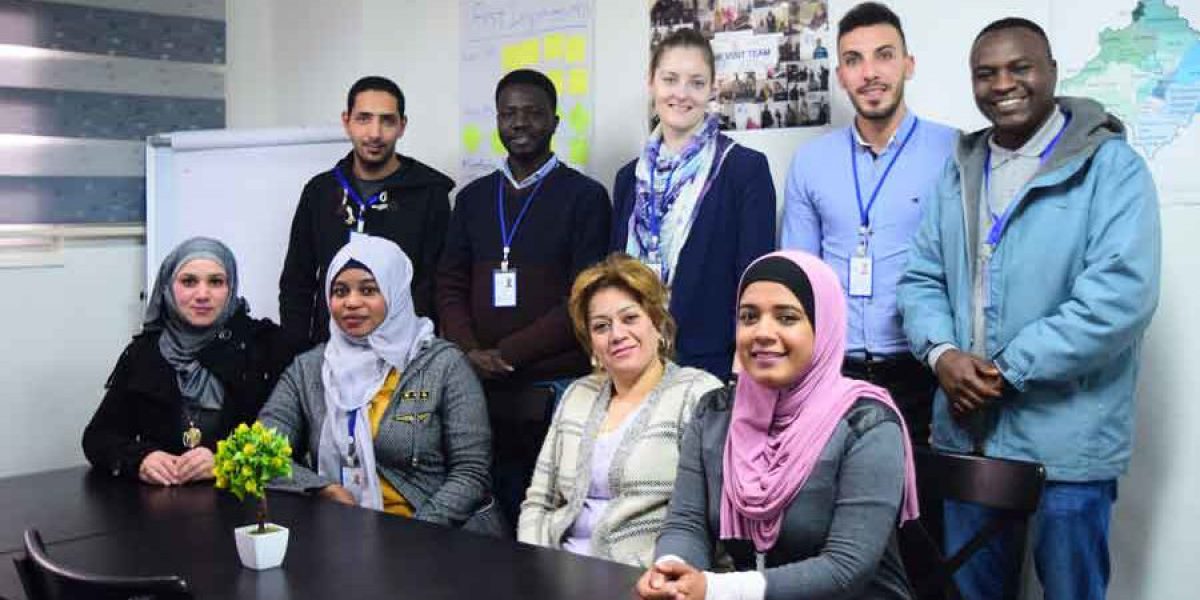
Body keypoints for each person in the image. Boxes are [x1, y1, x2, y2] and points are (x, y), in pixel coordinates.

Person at [898, 18, 1160, 600]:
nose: (1003, 84)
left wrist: (1007, 369)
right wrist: (941, 355)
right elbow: (921, 278)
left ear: (1052, 73)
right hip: (969, 440)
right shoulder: (959, 170)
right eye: (986, 73)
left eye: (1020, 68)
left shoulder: (1111, 168)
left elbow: (1119, 296)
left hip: (1068, 450)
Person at [636, 251, 917, 600]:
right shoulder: (716, 412)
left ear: (823, 326)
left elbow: (848, 567)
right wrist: (671, 572)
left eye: (786, 317)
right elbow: (686, 523)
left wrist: (717, 590)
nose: (762, 333)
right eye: (748, 317)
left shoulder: (868, 423)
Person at [437, 69, 611, 529]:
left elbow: (585, 293)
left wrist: (507, 354)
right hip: (478, 385)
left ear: (555, 121)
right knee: (487, 508)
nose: (520, 123)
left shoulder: (586, 197)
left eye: (533, 113)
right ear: (496, 120)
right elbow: (449, 284)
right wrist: (469, 352)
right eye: (509, 113)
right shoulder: (472, 199)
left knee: (549, 515)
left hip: (554, 386)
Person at [781, 2, 958, 447]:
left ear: (908, 65)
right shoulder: (810, 163)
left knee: (923, 512)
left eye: (884, 55)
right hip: (834, 373)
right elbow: (798, 278)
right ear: (840, 75)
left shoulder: (955, 152)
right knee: (841, 512)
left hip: (924, 368)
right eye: (853, 60)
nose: (870, 73)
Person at [262, 236, 498, 532]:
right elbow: (261, 452)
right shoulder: (310, 368)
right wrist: (321, 488)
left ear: (395, 293)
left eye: (368, 290)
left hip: (435, 537)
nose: (351, 302)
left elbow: (471, 473)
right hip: (343, 534)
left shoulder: (444, 365)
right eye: (339, 291)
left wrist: (417, 532)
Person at [518, 254, 721, 566]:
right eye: (601, 326)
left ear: (657, 321)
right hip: (556, 572)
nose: (617, 335)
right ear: (591, 341)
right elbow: (538, 500)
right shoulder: (577, 394)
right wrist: (533, 562)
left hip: (644, 578)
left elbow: (707, 524)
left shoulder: (697, 394)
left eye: (630, 318)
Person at [612, 27, 776, 383]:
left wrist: (742, 367)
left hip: (710, 364)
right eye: (670, 79)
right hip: (635, 360)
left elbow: (756, 281)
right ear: (651, 83)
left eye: (696, 83)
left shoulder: (744, 168)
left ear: (712, 89)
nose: (681, 94)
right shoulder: (630, 178)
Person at [83, 238, 293, 486]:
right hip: (159, 507)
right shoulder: (146, 352)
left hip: (243, 505)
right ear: (168, 287)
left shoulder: (263, 345)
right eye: (189, 281)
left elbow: (286, 440)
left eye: (216, 282)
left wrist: (226, 461)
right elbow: (98, 438)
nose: (202, 294)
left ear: (231, 287)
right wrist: (140, 459)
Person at [279, 75, 454, 350]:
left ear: (402, 126)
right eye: (364, 118)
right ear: (346, 121)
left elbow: (437, 285)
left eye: (387, 120)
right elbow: (297, 282)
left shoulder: (430, 193)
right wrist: (298, 353)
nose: (375, 133)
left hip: (404, 353)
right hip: (330, 354)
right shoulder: (320, 192)